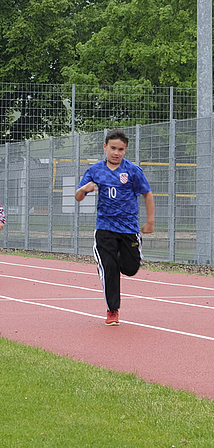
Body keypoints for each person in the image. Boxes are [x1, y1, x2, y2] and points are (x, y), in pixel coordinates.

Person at [75, 129, 154, 326]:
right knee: (109, 268)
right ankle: (113, 310)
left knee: (130, 268)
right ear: (105, 147)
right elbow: (78, 196)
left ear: (125, 150)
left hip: (129, 229)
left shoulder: (133, 171)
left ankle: (119, 258)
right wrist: (85, 189)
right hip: (105, 228)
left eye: (121, 149)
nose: (116, 153)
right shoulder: (95, 170)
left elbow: (147, 194)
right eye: (113, 148)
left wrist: (150, 221)